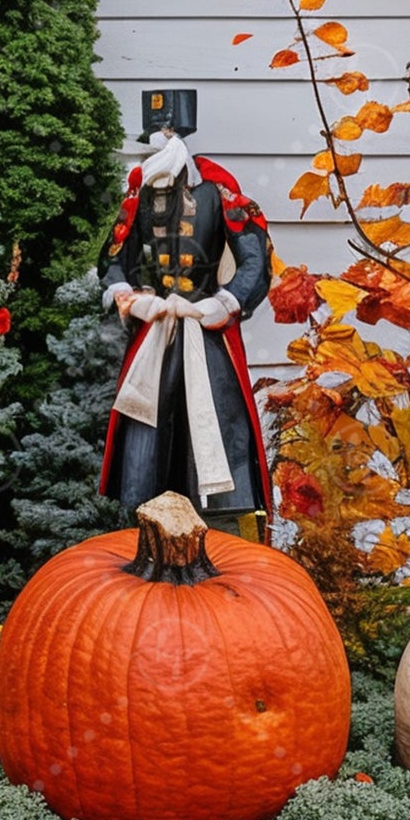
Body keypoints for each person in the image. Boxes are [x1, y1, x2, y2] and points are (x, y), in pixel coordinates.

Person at [98, 89, 273, 519]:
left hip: (206, 335)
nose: (162, 137)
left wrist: (226, 301)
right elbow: (112, 259)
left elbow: (256, 257)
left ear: (181, 138)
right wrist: (129, 299)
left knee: (215, 428)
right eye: (156, 132)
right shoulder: (138, 193)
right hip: (153, 335)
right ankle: (145, 526)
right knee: (145, 442)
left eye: (169, 130)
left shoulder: (218, 190)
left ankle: (220, 529)